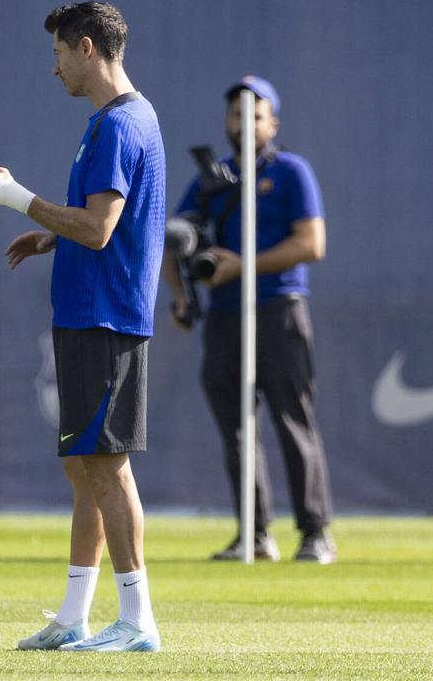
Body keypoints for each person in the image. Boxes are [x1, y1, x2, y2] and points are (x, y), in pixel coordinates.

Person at [0, 1, 164, 652]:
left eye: (59, 53)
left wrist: (15, 197)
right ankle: (75, 615)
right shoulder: (115, 122)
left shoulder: (120, 126)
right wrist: (48, 237)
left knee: (108, 466)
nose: (55, 68)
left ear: (89, 48)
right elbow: (106, 223)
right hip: (86, 312)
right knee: (84, 466)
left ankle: (136, 620)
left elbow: (99, 230)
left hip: (105, 316)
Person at [163, 76, 335, 564]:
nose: (244, 123)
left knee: (292, 420)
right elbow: (171, 239)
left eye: (255, 114)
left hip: (279, 309)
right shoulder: (211, 178)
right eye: (236, 114)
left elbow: (312, 244)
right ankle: (255, 533)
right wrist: (180, 296)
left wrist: (244, 264)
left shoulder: (291, 172)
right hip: (223, 313)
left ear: (273, 122)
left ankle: (315, 531)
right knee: (236, 427)